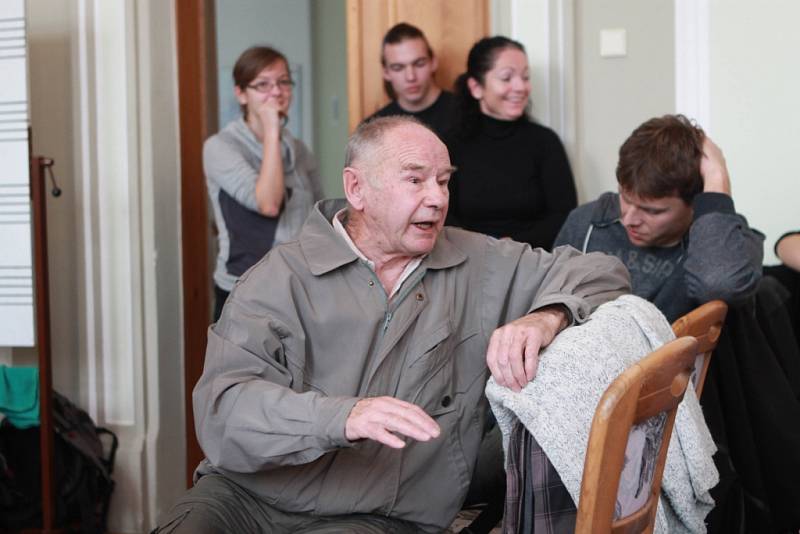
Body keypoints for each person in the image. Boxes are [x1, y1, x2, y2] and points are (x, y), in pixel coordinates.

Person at [154, 116, 629, 533]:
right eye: (416, 180)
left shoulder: (478, 262)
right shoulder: (277, 279)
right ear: (357, 188)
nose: (438, 198)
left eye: (443, 181)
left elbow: (601, 271)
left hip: (375, 513)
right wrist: (343, 416)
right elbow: (223, 409)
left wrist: (546, 317)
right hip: (244, 498)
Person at [554, 114, 763, 322]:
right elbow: (549, 297)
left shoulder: (730, 243)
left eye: (652, 211)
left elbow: (719, 283)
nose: (629, 219)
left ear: (694, 204)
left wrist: (716, 177)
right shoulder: (586, 221)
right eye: (625, 198)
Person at [203, 46, 324, 321]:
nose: (277, 91)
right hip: (244, 289)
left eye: (283, 81)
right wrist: (272, 129)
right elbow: (268, 204)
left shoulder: (299, 150)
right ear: (241, 94)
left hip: (298, 286)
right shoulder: (220, 147)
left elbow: (317, 217)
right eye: (263, 85)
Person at [446, 36, 577, 251]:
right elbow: (444, 215)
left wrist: (512, 246)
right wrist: (483, 248)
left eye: (525, 77)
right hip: (467, 259)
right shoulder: (451, 145)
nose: (520, 87)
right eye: (507, 78)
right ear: (476, 87)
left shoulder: (545, 142)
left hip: (533, 260)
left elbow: (564, 215)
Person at [366, 23, 456, 137]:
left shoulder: (468, 114)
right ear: (386, 72)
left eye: (419, 64)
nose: (411, 77)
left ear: (433, 62)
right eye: (398, 68)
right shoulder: (374, 130)